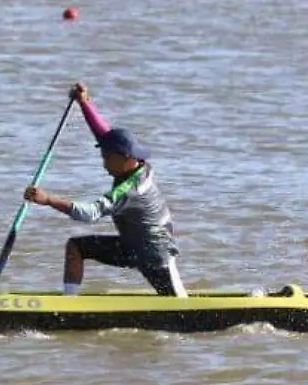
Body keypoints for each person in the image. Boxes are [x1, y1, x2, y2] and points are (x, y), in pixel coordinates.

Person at [24, 83, 187, 298]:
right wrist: (85, 103)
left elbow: (91, 213)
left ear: (125, 158)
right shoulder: (133, 163)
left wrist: (48, 200)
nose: (103, 165)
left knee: (178, 305)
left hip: (155, 255)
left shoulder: (130, 190)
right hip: (131, 247)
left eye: (106, 159)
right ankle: (68, 303)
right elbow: (105, 134)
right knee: (76, 247)